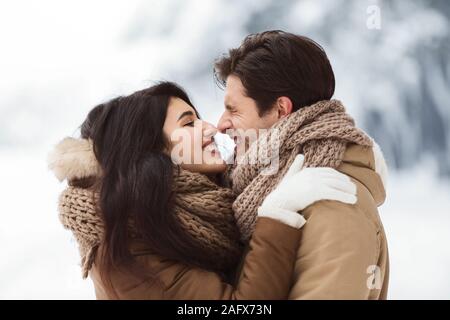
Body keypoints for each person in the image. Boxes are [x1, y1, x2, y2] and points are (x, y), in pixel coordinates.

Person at [48, 81, 357, 299]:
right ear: (151, 151)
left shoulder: (202, 207)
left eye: (197, 117)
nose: (209, 127)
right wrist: (278, 215)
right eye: (188, 124)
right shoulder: (127, 253)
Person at [214, 30, 389, 299]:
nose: (221, 124)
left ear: (280, 110)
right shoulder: (261, 191)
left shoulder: (335, 206)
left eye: (234, 110)